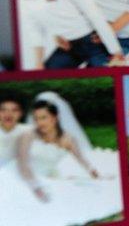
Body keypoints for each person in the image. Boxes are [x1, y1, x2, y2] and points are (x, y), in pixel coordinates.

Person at [0, 92, 122, 225]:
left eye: (43, 118)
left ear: (55, 118)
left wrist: (96, 175)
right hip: (19, 174)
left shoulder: (67, 139)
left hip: (47, 177)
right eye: (36, 119)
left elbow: (82, 160)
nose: (39, 123)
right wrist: (35, 185)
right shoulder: (28, 135)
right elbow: (22, 164)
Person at [0, 97, 30, 167]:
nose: (8, 114)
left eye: (14, 110)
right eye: (3, 110)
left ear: (21, 113)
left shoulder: (28, 130)